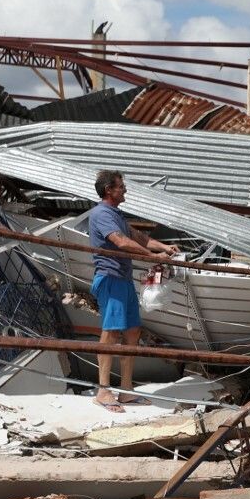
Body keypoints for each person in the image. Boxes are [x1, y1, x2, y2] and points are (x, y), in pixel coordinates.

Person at [88, 170, 178, 412]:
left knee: (132, 331)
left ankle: (126, 390)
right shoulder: (101, 213)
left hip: (124, 280)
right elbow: (122, 242)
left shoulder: (116, 214)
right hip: (110, 279)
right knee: (111, 333)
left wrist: (164, 247)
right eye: (121, 186)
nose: (125, 190)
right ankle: (103, 390)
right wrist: (152, 256)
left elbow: (138, 237)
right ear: (109, 190)